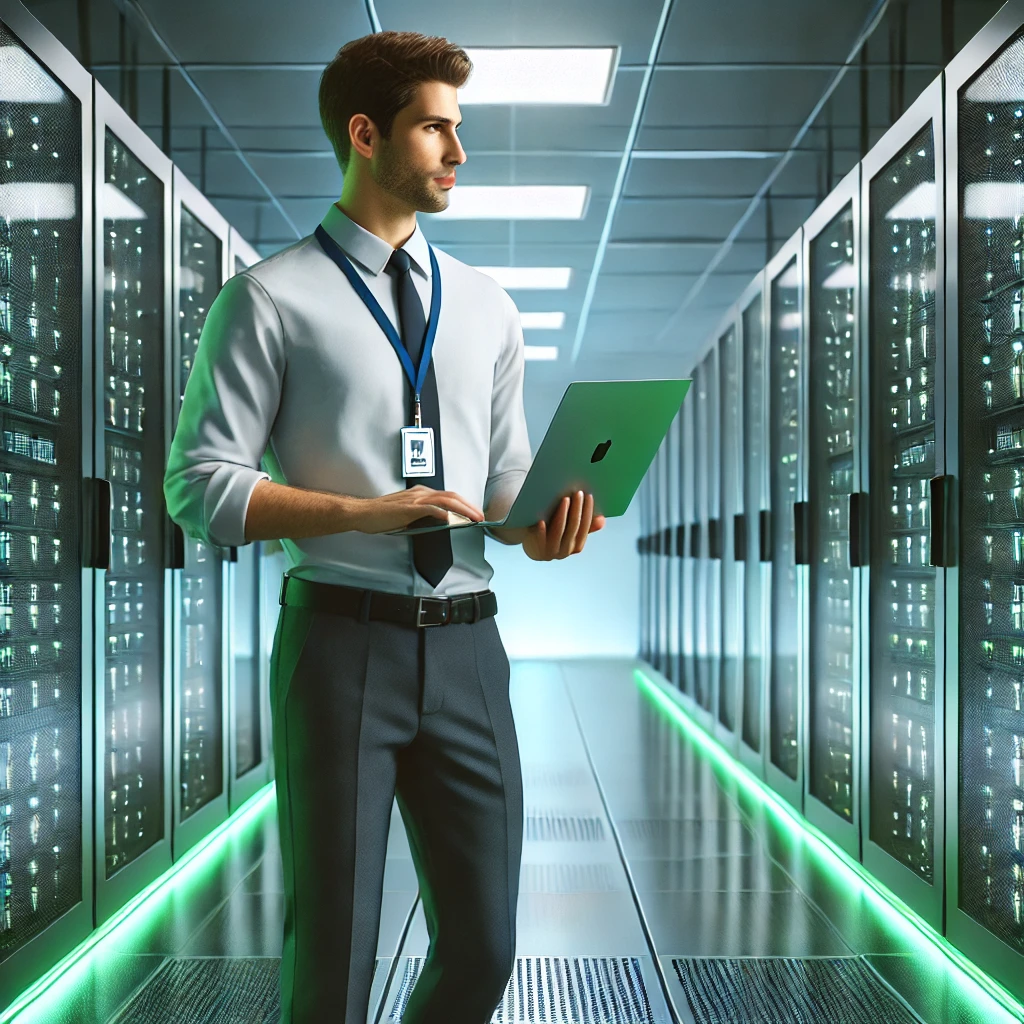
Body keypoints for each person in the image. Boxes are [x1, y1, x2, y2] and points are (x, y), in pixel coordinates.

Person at [163, 29, 604, 1024]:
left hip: (470, 652)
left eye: (458, 129)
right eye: (436, 129)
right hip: (338, 646)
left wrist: (540, 525)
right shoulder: (269, 300)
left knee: (487, 946)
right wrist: (368, 511)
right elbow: (197, 485)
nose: (457, 152)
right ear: (366, 133)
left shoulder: (487, 307)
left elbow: (501, 475)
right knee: (334, 956)